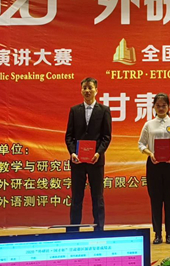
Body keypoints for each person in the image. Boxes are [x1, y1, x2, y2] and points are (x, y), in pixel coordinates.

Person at [65, 77, 112, 232]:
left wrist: (99, 152)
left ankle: (99, 230)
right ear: (81, 90)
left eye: (90, 88)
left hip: (95, 161)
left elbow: (106, 136)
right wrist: (73, 152)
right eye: (84, 88)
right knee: (76, 197)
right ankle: (73, 231)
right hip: (77, 161)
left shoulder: (104, 110)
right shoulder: (74, 110)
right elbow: (69, 136)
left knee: (97, 197)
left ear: (96, 90)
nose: (87, 91)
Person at [138, 93, 170, 245]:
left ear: (168, 107)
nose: (161, 108)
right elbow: (141, 144)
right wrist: (150, 153)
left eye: (164, 105)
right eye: (158, 106)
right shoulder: (149, 125)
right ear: (153, 107)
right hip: (154, 165)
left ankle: (169, 233)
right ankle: (157, 233)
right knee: (156, 200)